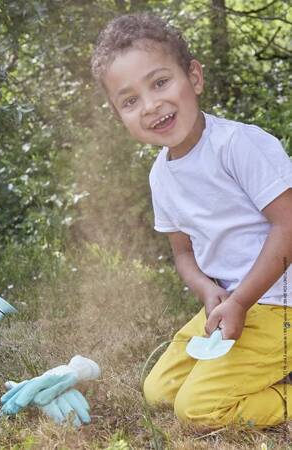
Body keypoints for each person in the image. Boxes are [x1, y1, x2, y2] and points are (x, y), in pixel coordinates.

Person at [91, 13, 292, 429]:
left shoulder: (238, 145)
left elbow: (288, 224)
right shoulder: (161, 176)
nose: (151, 106)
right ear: (120, 117)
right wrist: (208, 290)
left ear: (194, 78)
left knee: (197, 410)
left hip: (279, 306)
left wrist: (241, 300)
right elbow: (183, 253)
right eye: (130, 101)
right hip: (231, 307)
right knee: (159, 393)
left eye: (160, 82)